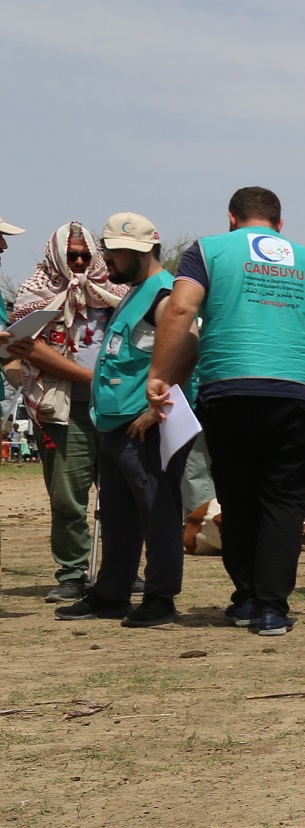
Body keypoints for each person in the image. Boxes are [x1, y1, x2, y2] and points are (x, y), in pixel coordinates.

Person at [148, 187, 305, 637]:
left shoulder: (209, 250)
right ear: (280, 224)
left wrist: (158, 374)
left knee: (237, 496)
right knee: (285, 499)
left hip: (229, 389)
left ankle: (247, 597)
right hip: (295, 393)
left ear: (232, 218)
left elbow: (180, 308)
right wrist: (304, 369)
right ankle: (273, 609)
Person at [53, 214, 189, 626]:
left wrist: (156, 409)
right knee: (116, 515)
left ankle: (160, 598)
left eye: (113, 250)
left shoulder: (163, 296)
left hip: (145, 423)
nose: (105, 258)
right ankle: (111, 593)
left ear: (142, 250)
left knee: (157, 510)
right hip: (115, 424)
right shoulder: (133, 292)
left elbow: (189, 351)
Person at [7, 222, 127, 602]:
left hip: (116, 408)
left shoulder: (118, 293)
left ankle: (121, 570)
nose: (77, 261)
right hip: (64, 409)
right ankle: (73, 573)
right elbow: (30, 348)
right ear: (56, 256)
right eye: (70, 255)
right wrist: (93, 378)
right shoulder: (36, 295)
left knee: (121, 496)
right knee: (67, 498)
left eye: (84, 255)